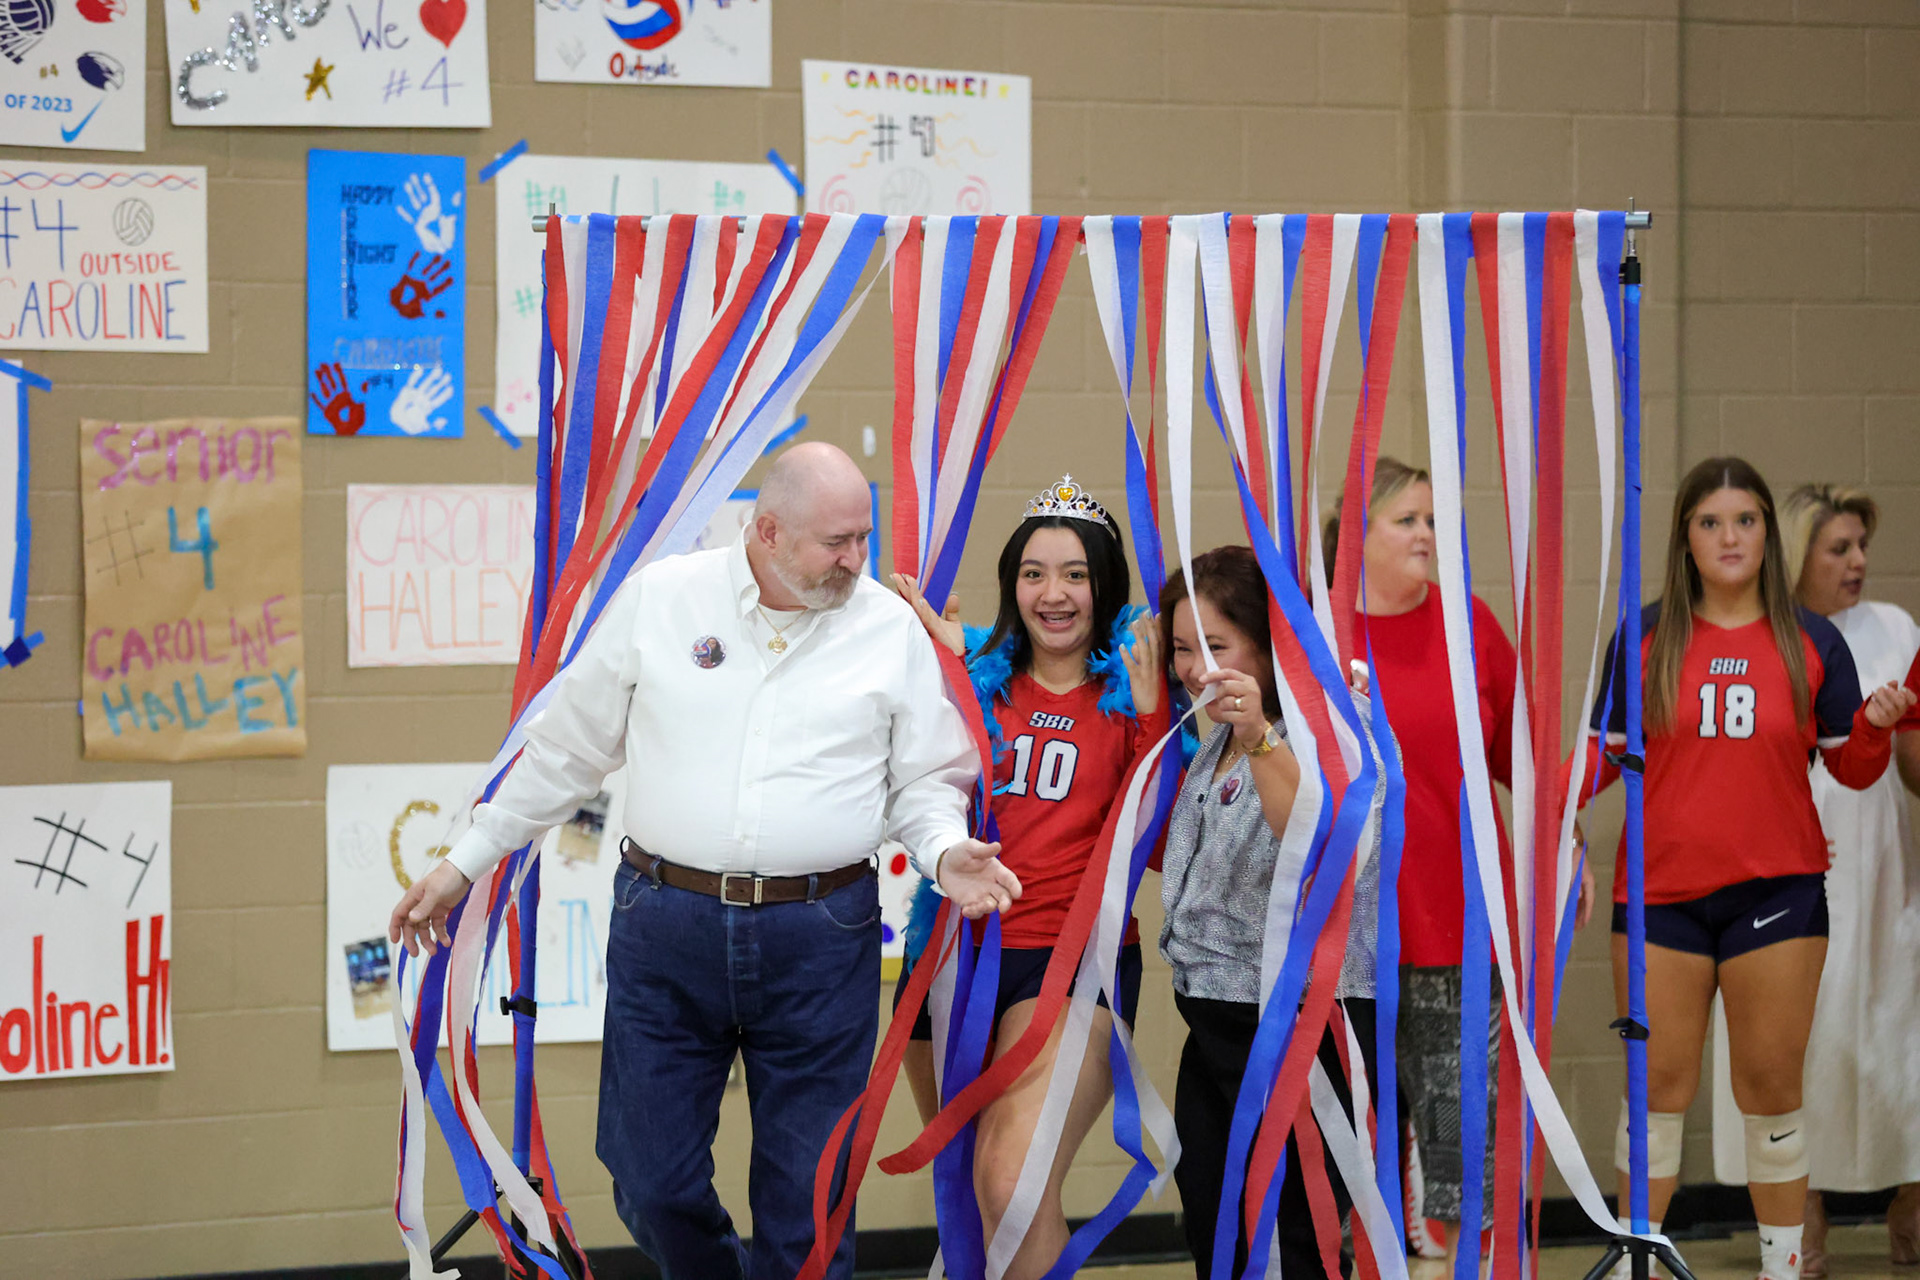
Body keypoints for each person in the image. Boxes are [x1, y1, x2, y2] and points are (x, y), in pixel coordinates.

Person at [387, 443, 1021, 1280]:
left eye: (864, 537)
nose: (856, 560)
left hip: (821, 934)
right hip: (665, 924)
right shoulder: (662, 601)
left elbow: (924, 781)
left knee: (812, 1193)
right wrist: (463, 863)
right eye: (836, 541)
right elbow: (564, 755)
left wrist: (943, 852)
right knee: (649, 1179)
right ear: (765, 531)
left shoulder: (887, 628)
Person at [1574, 457, 1915, 1280]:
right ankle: (1638, 1265)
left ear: (1768, 533)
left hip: (1779, 895)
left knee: (1770, 1091)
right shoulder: (1647, 634)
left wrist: (1873, 725)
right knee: (1655, 1092)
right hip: (1660, 901)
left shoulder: (1811, 640)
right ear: (1686, 539)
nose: (1730, 537)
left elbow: (1856, 770)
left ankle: (1782, 1266)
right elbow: (1596, 762)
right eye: (1710, 522)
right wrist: (1535, 801)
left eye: (1746, 520)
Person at [890, 475, 1166, 1280]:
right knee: (980, 1188)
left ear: (1104, 585)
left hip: (1069, 963)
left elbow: (1152, 847)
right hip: (951, 958)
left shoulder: (1134, 692)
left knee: (1012, 1180)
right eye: (1034, 573)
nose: (1054, 594)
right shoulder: (974, 672)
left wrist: (1152, 718)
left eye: (1076, 574)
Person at [1324, 457, 1589, 1267]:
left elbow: (1530, 765)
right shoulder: (1318, 635)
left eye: (1435, 521)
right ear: (1356, 533)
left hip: (1459, 925)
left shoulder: (1468, 625)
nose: (1428, 536)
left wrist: (1563, 849)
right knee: (1353, 1151)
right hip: (1348, 934)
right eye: (1409, 519)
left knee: (1459, 1163)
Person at [1159, 544, 1387, 1280]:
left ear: (1269, 641)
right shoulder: (1216, 733)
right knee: (1213, 1227)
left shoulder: (1335, 722)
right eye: (1182, 649)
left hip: (1301, 1026)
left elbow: (1321, 843)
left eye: (1215, 647)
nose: (1194, 668)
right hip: (1215, 1021)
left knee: (1293, 1238)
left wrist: (1259, 736)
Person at [1739, 485, 1919, 1276]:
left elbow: (1907, 760)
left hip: (1883, 859)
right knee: (1796, 1040)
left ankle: (1908, 1212)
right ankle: (1798, 1218)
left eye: (1860, 546)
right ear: (1798, 554)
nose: (1857, 562)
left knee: (1896, 1033)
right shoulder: (1771, 635)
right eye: (1837, 547)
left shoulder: (1895, 629)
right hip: (1791, 854)